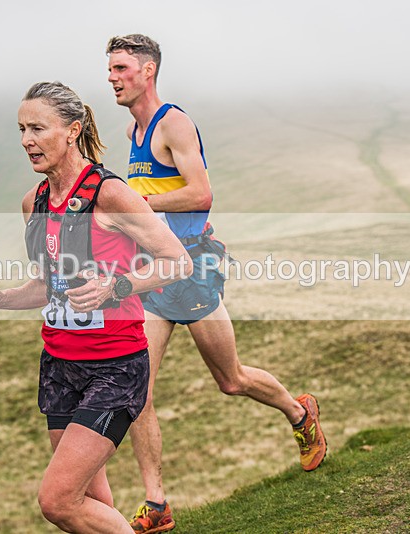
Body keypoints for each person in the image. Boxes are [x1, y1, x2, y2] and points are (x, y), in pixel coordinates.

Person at [106, 34, 327, 533]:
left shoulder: (173, 124)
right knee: (138, 389)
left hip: (192, 268)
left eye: (121, 69)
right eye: (110, 70)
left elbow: (201, 194)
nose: (113, 78)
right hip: (154, 273)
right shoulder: (131, 129)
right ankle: (156, 504)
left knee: (231, 380)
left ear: (148, 71)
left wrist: (138, 206)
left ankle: (299, 413)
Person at [0, 81, 190, 533]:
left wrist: (118, 286)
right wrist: (2, 298)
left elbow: (178, 261)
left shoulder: (110, 194)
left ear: (72, 130)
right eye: (22, 130)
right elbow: (48, 286)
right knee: (90, 500)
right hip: (59, 365)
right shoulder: (33, 202)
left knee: (58, 501)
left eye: (38, 128)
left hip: (115, 366)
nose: (27, 140)